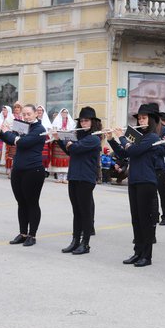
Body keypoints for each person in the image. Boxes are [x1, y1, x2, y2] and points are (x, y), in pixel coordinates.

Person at [107, 104, 163, 267]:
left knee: (145, 219)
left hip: (146, 182)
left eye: (143, 118)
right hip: (135, 181)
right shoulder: (140, 138)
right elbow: (125, 153)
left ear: (151, 120)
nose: (140, 120)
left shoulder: (152, 137)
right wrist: (112, 139)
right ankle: (137, 252)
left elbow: (133, 151)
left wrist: (123, 137)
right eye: (139, 118)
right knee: (136, 219)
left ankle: (147, 255)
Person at [53, 107, 103, 255]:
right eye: (81, 121)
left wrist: (69, 143)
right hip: (74, 176)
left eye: (86, 120)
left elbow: (75, 148)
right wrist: (58, 139)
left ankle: (85, 243)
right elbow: (70, 150)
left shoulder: (94, 138)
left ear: (93, 122)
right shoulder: (79, 136)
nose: (83, 123)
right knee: (76, 211)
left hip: (86, 178)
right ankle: (75, 241)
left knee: (85, 211)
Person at [0, 104, 47, 247]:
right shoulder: (23, 126)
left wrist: (9, 133)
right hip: (18, 169)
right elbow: (12, 141)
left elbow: (23, 143)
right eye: (24, 114)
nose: (26, 117)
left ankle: (32, 235)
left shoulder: (39, 129)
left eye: (29, 114)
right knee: (21, 202)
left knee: (32, 202)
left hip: (33, 170)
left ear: (36, 113)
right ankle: (23, 233)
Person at [49, 108, 75, 183]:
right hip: (58, 142)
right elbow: (52, 130)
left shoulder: (71, 122)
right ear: (61, 113)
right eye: (63, 112)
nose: (64, 114)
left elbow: (73, 131)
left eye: (66, 112)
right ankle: (59, 177)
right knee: (58, 159)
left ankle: (65, 177)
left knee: (66, 159)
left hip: (66, 141)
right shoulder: (56, 121)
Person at [5, 102, 24, 177]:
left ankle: (16, 171)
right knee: (11, 154)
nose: (17, 109)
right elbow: (6, 125)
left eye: (18, 108)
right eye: (15, 108)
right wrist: (13, 128)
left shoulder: (22, 117)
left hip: (20, 137)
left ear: (20, 109)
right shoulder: (10, 117)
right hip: (12, 136)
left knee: (18, 154)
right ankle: (10, 171)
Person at [0, 105, 13, 174]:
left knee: (6, 153)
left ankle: (7, 169)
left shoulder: (11, 119)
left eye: (5, 110)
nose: (3, 111)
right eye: (3, 110)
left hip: (7, 137)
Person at [36, 105, 53, 172]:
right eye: (38, 110)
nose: (39, 111)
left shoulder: (46, 120)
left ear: (43, 111)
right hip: (35, 138)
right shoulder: (34, 119)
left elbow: (50, 130)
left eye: (41, 110)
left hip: (44, 138)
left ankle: (44, 170)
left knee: (44, 155)